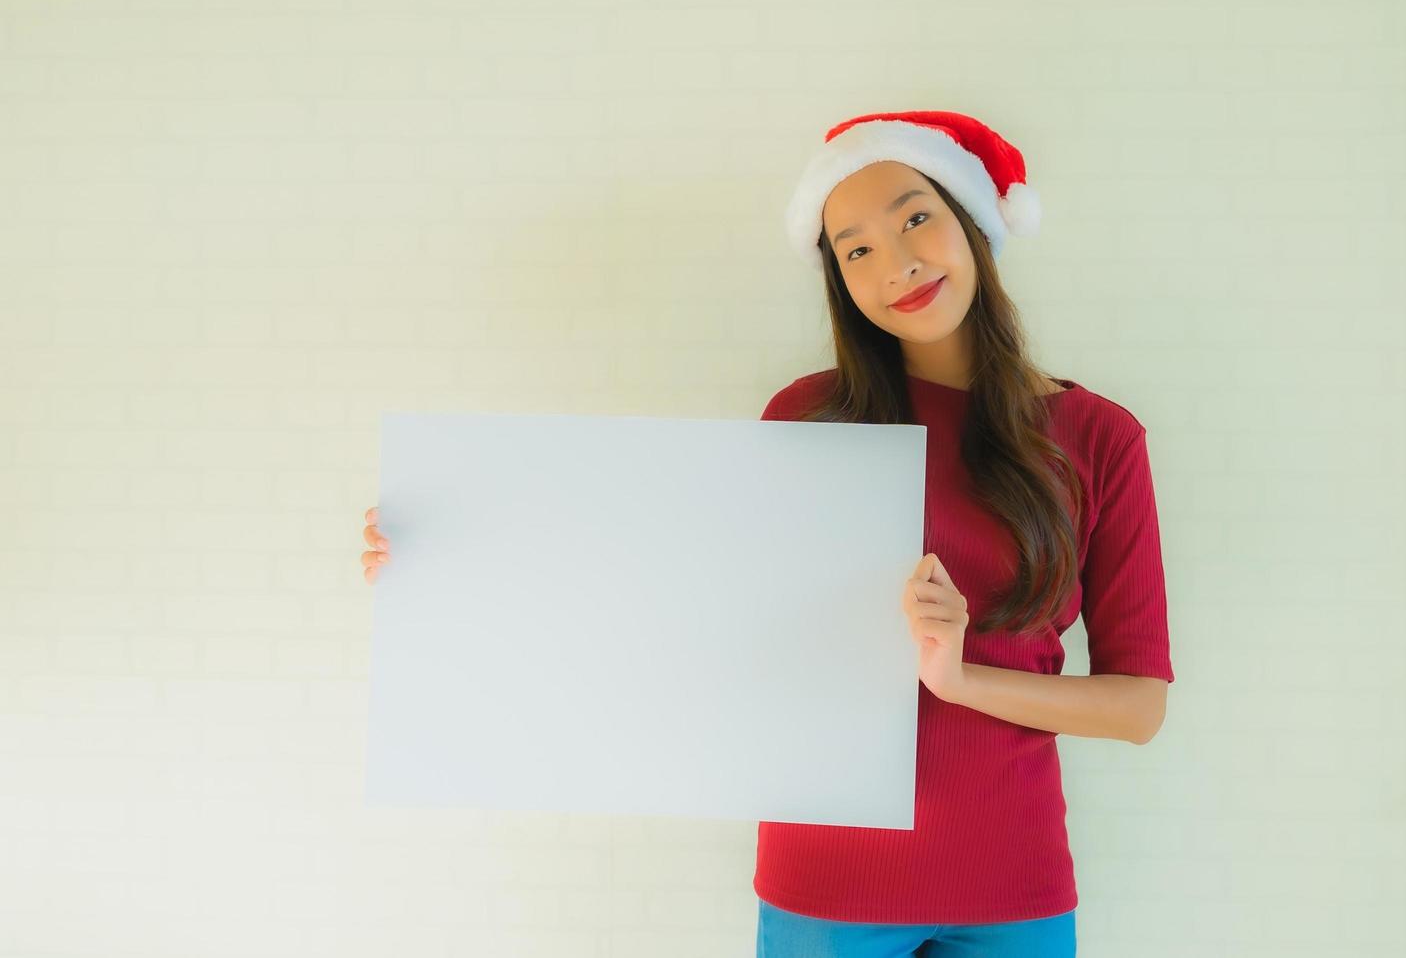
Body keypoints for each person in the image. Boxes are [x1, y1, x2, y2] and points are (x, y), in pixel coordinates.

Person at [361, 108, 1174, 958]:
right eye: (856, 249)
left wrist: (958, 679)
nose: (895, 264)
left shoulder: (1099, 438)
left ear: (971, 222)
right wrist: (445, 565)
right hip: (825, 883)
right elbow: (671, 596)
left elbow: (1138, 707)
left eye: (915, 218)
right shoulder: (805, 420)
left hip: (1014, 883)